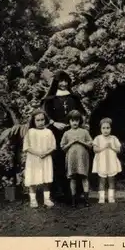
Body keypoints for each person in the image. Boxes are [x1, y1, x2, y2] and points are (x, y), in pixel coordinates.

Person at [42, 70, 86, 203]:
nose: (63, 83)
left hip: (72, 132)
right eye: (61, 81)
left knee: (73, 159)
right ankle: (59, 192)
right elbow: (45, 115)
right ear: (56, 82)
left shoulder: (73, 98)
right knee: (59, 160)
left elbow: (81, 114)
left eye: (66, 81)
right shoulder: (51, 99)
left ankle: (74, 193)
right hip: (57, 132)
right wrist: (54, 123)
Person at [23, 109, 57, 208]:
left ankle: (46, 199)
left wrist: (45, 153)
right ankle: (33, 199)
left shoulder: (49, 132)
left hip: (45, 158)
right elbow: (26, 146)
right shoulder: (30, 132)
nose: (40, 122)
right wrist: (37, 153)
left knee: (46, 179)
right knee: (32, 179)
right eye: (38, 120)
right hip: (33, 159)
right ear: (33, 121)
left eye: (42, 120)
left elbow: (53, 146)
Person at [60, 110, 93, 208]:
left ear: (80, 121)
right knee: (73, 178)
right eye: (72, 120)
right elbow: (63, 147)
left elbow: (91, 145)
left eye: (77, 120)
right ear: (69, 121)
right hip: (71, 158)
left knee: (84, 177)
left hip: (82, 158)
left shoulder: (84, 132)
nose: (74, 122)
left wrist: (81, 142)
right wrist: (71, 142)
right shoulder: (66, 133)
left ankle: (86, 200)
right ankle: (74, 201)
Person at [92, 118, 122, 204]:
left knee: (111, 179)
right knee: (102, 180)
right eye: (103, 128)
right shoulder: (98, 138)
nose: (105, 130)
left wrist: (111, 147)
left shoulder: (114, 138)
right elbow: (95, 150)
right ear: (100, 129)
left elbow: (118, 150)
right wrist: (104, 147)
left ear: (111, 129)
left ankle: (111, 197)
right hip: (102, 162)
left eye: (108, 128)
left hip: (111, 162)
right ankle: (101, 198)